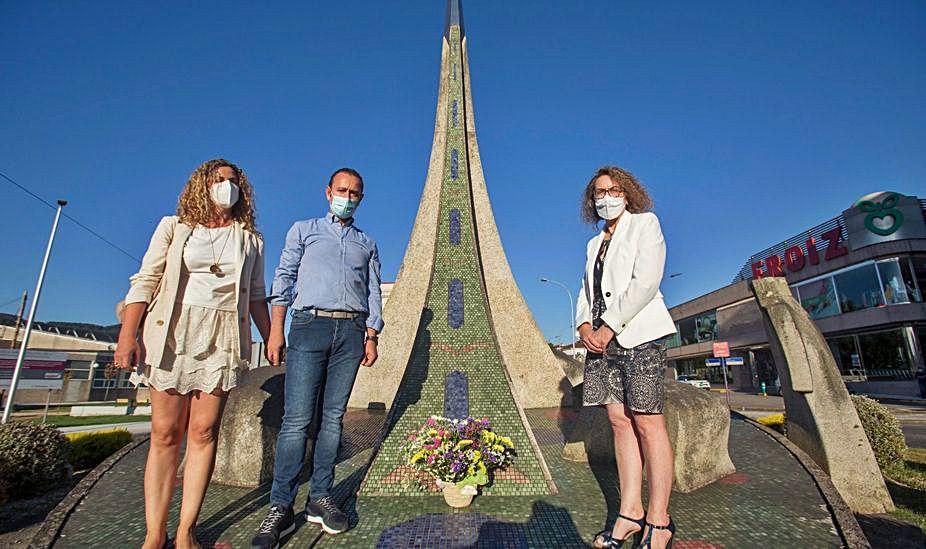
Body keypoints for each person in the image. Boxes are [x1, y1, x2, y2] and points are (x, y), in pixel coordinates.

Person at [115, 159, 271, 549]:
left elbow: (255, 296)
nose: (226, 187)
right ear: (202, 185)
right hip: (172, 333)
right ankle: (155, 532)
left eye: (233, 181)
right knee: (165, 433)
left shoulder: (250, 240)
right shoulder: (174, 227)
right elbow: (145, 279)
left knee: (204, 431)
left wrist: (271, 336)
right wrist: (127, 335)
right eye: (219, 180)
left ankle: (187, 530)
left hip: (223, 337)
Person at [251, 167, 383, 548]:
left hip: (352, 331)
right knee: (297, 419)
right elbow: (284, 278)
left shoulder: (367, 243)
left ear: (360, 198)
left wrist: (371, 334)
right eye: (342, 190)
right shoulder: (303, 230)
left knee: (333, 419)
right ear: (328, 192)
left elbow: (373, 290)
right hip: (309, 325)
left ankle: (320, 496)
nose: (348, 196)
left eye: (355, 192)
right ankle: (280, 506)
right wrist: (276, 330)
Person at [576, 166, 678, 549]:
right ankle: (630, 513)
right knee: (619, 423)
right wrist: (585, 326)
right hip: (600, 343)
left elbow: (646, 281)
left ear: (628, 193)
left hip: (638, 335)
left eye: (613, 190)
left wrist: (609, 326)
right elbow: (586, 290)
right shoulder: (593, 244)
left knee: (648, 422)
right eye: (599, 192)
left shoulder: (645, 225)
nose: (606, 197)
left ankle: (659, 520)